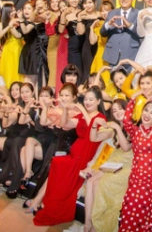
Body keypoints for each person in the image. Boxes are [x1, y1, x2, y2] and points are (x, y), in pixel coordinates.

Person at [29, 88, 107, 225]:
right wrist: (65, 109)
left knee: (59, 164)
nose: (88, 102)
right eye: (86, 99)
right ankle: (44, 202)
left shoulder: (100, 117)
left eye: (91, 99)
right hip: (75, 153)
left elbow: (91, 127)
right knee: (56, 163)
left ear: (98, 101)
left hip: (86, 156)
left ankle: (43, 202)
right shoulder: (81, 116)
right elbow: (64, 124)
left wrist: (82, 109)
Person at [118, 93, 152, 232]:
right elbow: (126, 120)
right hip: (136, 176)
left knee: (145, 211)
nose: (147, 115)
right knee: (130, 207)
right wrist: (133, 99)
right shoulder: (134, 131)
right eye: (146, 110)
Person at [85, 100, 132, 232]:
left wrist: (117, 128)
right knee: (90, 182)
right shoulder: (114, 129)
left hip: (127, 165)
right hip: (113, 162)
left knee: (98, 184)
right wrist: (94, 124)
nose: (118, 112)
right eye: (114, 111)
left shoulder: (134, 126)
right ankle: (87, 222)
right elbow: (93, 138)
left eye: (120, 108)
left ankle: (98, 225)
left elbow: (126, 148)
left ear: (127, 109)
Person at [101, 0, 141, 68]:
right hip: (113, 56)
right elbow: (102, 33)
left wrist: (130, 26)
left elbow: (141, 34)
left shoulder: (138, 13)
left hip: (132, 55)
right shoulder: (111, 13)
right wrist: (108, 24)